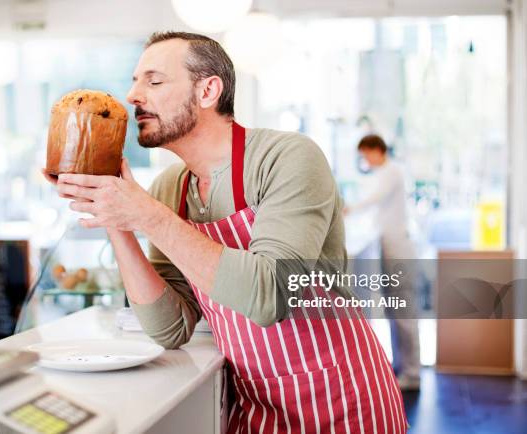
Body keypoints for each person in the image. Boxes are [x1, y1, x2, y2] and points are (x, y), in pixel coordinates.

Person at [46, 32, 408, 433]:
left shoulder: (286, 158)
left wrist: (147, 215)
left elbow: (270, 296)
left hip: (339, 397)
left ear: (208, 91)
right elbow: (169, 328)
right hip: (255, 404)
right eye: (134, 80)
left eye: (153, 80)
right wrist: (114, 217)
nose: (132, 95)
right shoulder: (171, 188)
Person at [345, 134, 421, 392]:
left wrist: (349, 208)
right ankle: (402, 367)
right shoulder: (382, 174)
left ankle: (412, 372)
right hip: (389, 248)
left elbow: (373, 200)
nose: (365, 160)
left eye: (366, 154)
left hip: (399, 248)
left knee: (404, 311)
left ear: (377, 150)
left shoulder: (392, 172)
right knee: (394, 309)